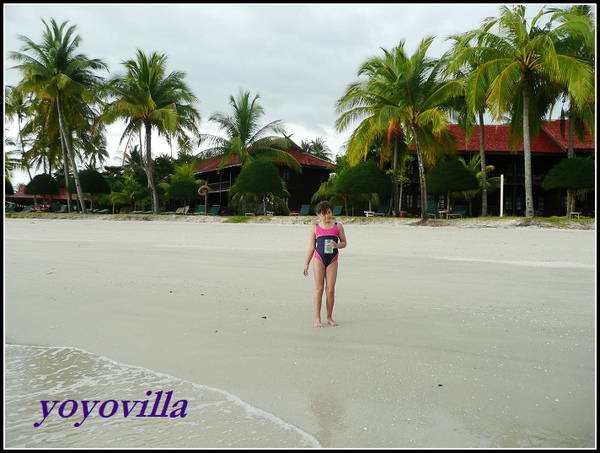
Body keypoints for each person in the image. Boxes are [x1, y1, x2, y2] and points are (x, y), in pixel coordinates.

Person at [303, 200, 347, 328]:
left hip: (332, 259)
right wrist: (306, 263)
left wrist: (336, 245)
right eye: (324, 214)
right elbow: (312, 247)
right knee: (319, 289)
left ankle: (329, 317)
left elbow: (344, 243)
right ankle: (317, 318)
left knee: (331, 290)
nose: (327, 216)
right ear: (318, 215)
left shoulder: (337, 226)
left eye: (329, 212)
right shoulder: (315, 228)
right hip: (319, 259)